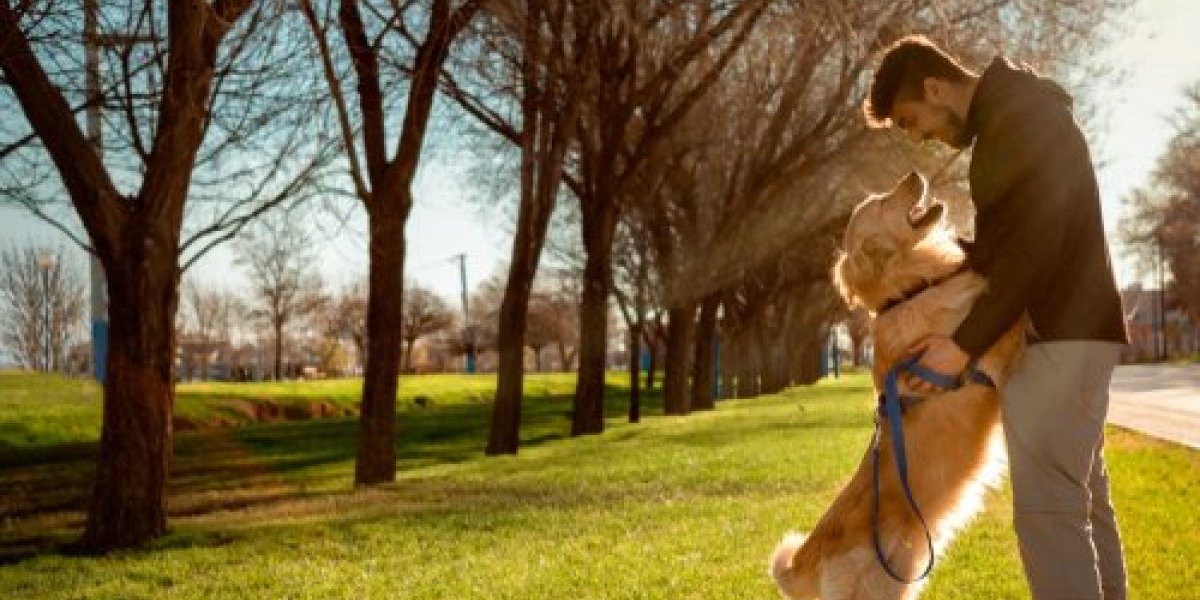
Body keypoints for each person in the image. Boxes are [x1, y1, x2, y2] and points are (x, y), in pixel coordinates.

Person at [862, 35, 1129, 599]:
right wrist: (923, 268)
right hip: (1071, 332)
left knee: (1049, 516)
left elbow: (1035, 248)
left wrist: (962, 345)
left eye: (915, 121)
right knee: (1082, 505)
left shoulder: (1019, 121)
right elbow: (1010, 247)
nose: (925, 138)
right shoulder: (1017, 115)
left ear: (936, 87)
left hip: (1059, 335)